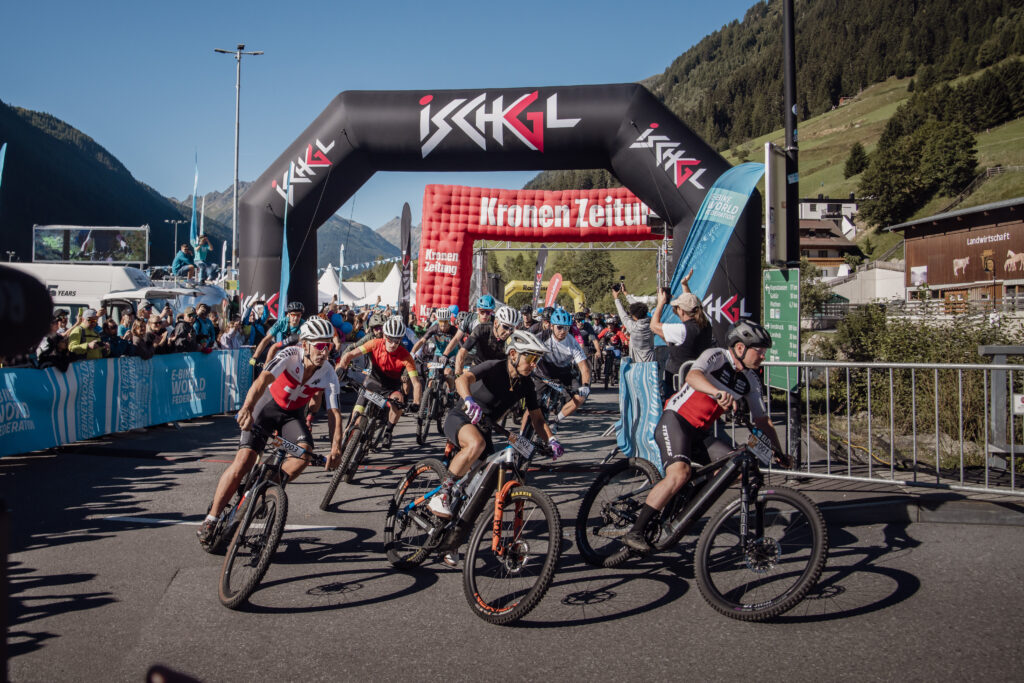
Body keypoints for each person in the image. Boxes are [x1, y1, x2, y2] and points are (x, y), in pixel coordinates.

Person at [619, 320, 788, 554]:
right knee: (680, 473)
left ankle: (685, 502)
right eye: (759, 351)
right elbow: (693, 376)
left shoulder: (750, 380)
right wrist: (717, 392)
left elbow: (762, 420)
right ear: (740, 348)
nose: (763, 356)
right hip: (676, 421)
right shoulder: (716, 356)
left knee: (735, 469)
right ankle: (635, 531)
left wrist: (778, 451)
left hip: (701, 433)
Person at [197, 318, 344, 547]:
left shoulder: (328, 372)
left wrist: (336, 448)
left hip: (292, 416)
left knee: (304, 455)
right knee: (244, 461)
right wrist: (247, 408)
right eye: (320, 346)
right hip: (266, 407)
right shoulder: (289, 355)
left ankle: (264, 488)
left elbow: (334, 413)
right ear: (305, 344)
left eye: (329, 346)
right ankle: (212, 518)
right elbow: (262, 380)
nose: (325, 352)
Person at [428, 330, 562, 522]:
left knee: (488, 478)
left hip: (484, 429)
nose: (534, 364)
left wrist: (552, 440)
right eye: (531, 358)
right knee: (476, 444)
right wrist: (469, 400)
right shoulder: (494, 366)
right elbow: (462, 379)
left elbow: (538, 419)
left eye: (537, 360)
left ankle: (457, 523)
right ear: (513, 354)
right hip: (462, 417)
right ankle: (442, 493)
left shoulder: (526, 384)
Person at [336, 316, 423, 450]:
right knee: (354, 421)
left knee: (399, 401)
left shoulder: (406, 356)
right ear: (384, 336)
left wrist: (416, 403)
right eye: (390, 339)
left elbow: (416, 384)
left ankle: (388, 431)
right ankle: (340, 450)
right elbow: (349, 355)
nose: (393, 344)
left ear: (401, 339)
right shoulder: (375, 343)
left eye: (397, 341)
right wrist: (342, 368)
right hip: (372, 383)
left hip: (391, 388)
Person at [651, 269, 714, 400]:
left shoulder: (681, 330)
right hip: (699, 379)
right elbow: (691, 304)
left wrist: (660, 303)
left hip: (678, 383)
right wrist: (684, 285)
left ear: (682, 311)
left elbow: (654, 326)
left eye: (677, 307)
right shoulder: (705, 324)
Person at [529, 308, 591, 426]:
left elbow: (584, 367)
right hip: (544, 371)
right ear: (552, 326)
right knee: (532, 403)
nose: (563, 331)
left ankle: (556, 420)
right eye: (559, 327)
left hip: (564, 372)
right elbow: (529, 354)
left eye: (566, 328)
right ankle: (522, 433)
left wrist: (586, 385)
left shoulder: (572, 342)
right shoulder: (541, 337)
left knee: (580, 397)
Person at [454, 305, 521, 370]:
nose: (508, 332)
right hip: (479, 367)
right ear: (496, 323)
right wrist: (458, 374)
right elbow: (462, 352)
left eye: (511, 329)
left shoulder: (513, 338)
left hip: (498, 371)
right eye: (505, 327)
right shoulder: (481, 329)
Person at [442, 294, 495, 360]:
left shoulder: (495, 322)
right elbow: (456, 338)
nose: (485, 315)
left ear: (492, 311)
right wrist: (445, 354)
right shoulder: (469, 319)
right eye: (482, 312)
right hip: (471, 353)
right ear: (478, 310)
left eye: (488, 312)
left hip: (487, 355)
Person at [252, 301, 304, 366]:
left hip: (298, 350)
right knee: (273, 348)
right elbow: (266, 340)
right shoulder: (281, 323)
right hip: (283, 347)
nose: (296, 318)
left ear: (301, 315)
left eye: (298, 315)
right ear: (288, 314)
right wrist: (254, 357)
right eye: (293, 315)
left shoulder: (304, 325)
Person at [612, 284, 655, 362]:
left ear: (635, 316)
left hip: (637, 363)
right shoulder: (651, 324)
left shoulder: (633, 327)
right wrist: (626, 293)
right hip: (651, 361)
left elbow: (623, 314)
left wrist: (616, 298)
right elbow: (639, 308)